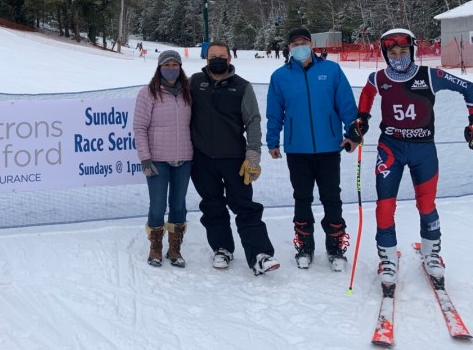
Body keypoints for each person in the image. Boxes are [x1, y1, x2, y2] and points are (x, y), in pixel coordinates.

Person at [347, 28, 473, 285]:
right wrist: (362, 120)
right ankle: (388, 258)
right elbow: (368, 93)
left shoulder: (430, 75)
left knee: (426, 205)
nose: (398, 56)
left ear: (412, 50)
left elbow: (470, 88)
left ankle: (432, 254)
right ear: (385, 54)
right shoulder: (378, 77)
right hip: (391, 148)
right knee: (385, 205)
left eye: (403, 51)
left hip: (423, 149)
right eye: (392, 52)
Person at [266, 28, 358, 272]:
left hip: (330, 147)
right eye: (294, 43)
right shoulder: (280, 77)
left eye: (304, 42)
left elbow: (347, 106)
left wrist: (353, 134)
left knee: (331, 197)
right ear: (288, 48)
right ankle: (304, 246)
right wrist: (272, 140)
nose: (300, 46)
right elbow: (275, 113)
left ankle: (335, 246)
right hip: (297, 149)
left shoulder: (331, 70)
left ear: (311, 44)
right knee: (302, 198)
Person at [189, 41, 280, 275]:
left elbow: (253, 121)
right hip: (202, 159)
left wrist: (253, 156)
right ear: (206, 59)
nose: (217, 59)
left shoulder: (242, 87)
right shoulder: (194, 83)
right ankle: (222, 248)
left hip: (234, 159)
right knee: (212, 206)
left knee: (245, 206)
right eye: (212, 56)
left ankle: (259, 254)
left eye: (222, 55)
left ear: (230, 59)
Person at [133, 50, 193, 267]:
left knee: (178, 205)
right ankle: (155, 247)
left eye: (174, 64)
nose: (170, 68)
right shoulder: (148, 93)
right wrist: (145, 158)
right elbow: (139, 128)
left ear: (180, 67)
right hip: (157, 159)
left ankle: (175, 249)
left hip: (184, 159)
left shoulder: (188, 91)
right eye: (166, 64)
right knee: (158, 205)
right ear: (159, 68)